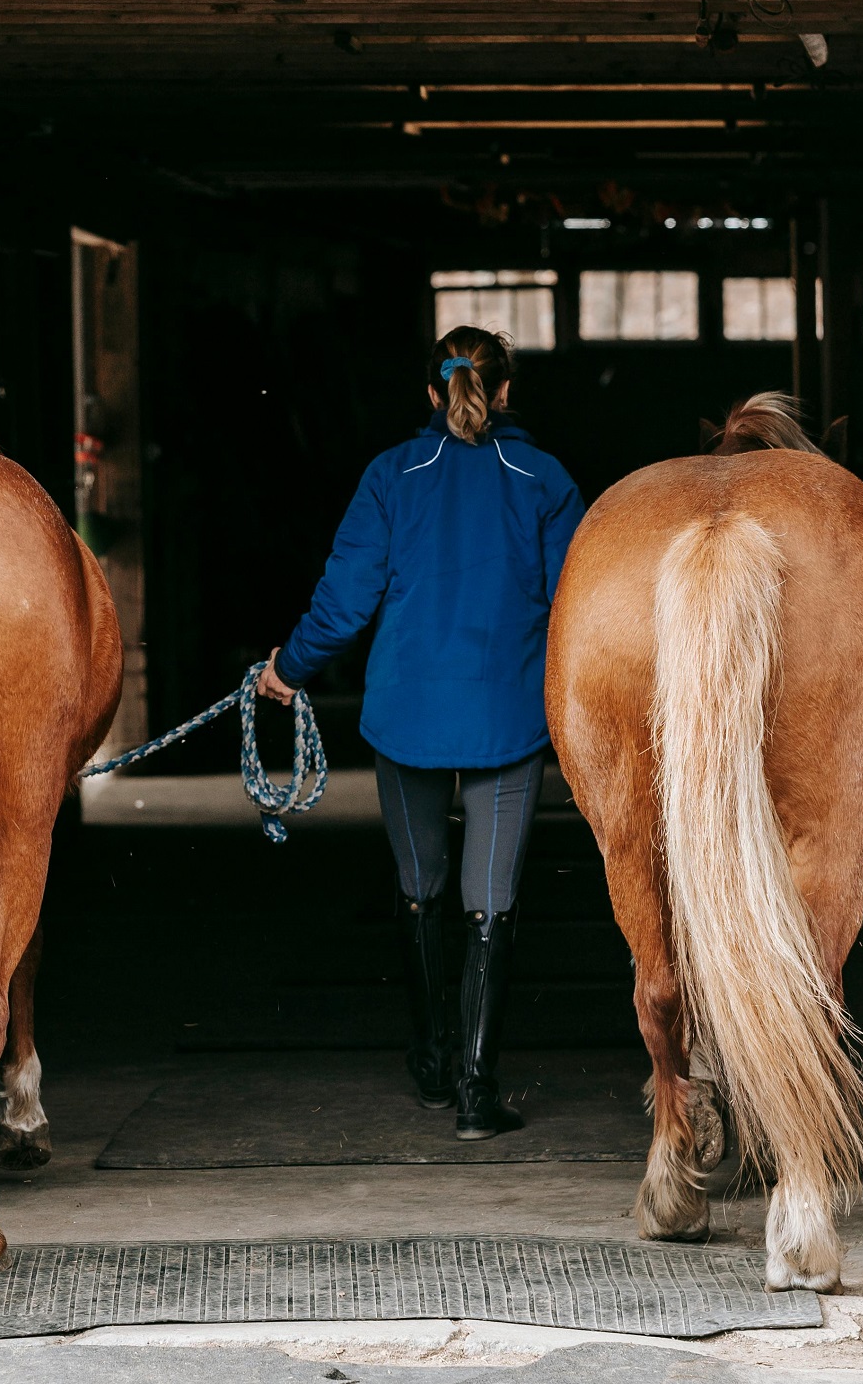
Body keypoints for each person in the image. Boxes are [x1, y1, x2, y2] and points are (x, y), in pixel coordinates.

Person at [258, 326, 585, 1140]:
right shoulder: (543, 479)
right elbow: (579, 608)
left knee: (417, 889)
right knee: (489, 905)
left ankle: (432, 1066)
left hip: (404, 718)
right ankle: (478, 1093)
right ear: (505, 392)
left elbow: (344, 601)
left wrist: (287, 669)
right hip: (507, 718)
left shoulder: (388, 476)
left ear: (431, 394)